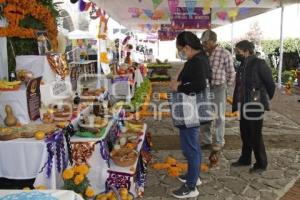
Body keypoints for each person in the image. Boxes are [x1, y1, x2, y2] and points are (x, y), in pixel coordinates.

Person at [170, 31, 211, 199]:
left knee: (191, 149)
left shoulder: (197, 61)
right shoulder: (199, 58)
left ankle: (191, 186)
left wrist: (179, 87)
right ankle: (193, 176)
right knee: (193, 147)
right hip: (190, 110)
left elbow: (199, 84)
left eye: (181, 49)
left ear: (187, 47)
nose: (181, 52)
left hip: (190, 111)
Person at [231, 40, 275, 173]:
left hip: (255, 105)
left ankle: (261, 163)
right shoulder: (242, 64)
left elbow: (270, 84)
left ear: (246, 51)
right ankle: (245, 159)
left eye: (238, 52)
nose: (237, 54)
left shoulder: (259, 63)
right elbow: (238, 86)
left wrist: (263, 100)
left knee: (255, 134)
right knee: (245, 133)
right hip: (242, 104)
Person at [200, 30, 236, 149]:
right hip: (205, 88)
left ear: (212, 41)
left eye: (205, 42)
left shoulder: (224, 53)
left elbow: (231, 72)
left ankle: (219, 141)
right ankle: (206, 141)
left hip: (219, 88)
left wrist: (226, 87)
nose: (203, 44)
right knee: (205, 114)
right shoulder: (203, 53)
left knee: (219, 116)